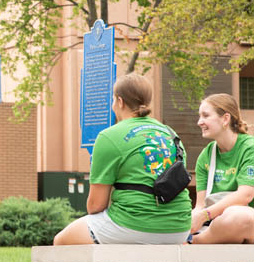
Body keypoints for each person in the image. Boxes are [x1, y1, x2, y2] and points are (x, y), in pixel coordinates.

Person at [53, 73, 192, 245]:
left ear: (120, 101)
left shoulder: (109, 136)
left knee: (61, 242)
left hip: (132, 225)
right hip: (180, 228)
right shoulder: (171, 134)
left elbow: (96, 206)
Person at [188, 94, 254, 244]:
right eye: (199, 116)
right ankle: (194, 238)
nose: (199, 122)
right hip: (216, 223)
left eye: (205, 116)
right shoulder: (206, 155)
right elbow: (200, 205)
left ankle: (196, 241)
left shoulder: (250, 148)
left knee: (238, 216)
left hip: (244, 220)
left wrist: (205, 215)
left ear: (225, 119)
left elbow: (246, 195)